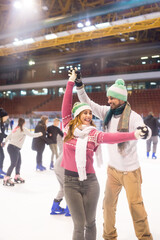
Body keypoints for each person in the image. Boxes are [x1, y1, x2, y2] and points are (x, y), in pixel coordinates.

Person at [61, 69, 148, 240]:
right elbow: (88, 103)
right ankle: (109, 237)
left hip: (130, 171)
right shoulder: (106, 113)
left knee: (135, 206)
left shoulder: (133, 117)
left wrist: (140, 133)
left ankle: (145, 237)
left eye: (112, 98)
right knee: (107, 207)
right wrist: (78, 85)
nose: (108, 101)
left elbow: (133, 131)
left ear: (121, 98)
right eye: (108, 98)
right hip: (112, 171)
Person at [3, 118, 42, 186]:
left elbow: (9, 136)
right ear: (24, 123)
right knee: (13, 163)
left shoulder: (16, 128)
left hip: (13, 147)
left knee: (18, 162)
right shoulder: (23, 129)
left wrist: (4, 142)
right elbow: (31, 135)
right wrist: (40, 134)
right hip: (13, 148)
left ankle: (17, 176)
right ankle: (6, 177)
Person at [50, 134, 71, 216]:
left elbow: (59, 142)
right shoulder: (75, 145)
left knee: (63, 187)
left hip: (57, 166)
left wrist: (59, 135)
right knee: (70, 187)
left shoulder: (67, 143)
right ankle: (69, 209)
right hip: (63, 167)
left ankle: (55, 207)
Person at [0, 108, 9, 179]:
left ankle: (0, 169)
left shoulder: (2, 124)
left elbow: (2, 134)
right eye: (6, 117)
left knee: (2, 156)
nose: (7, 118)